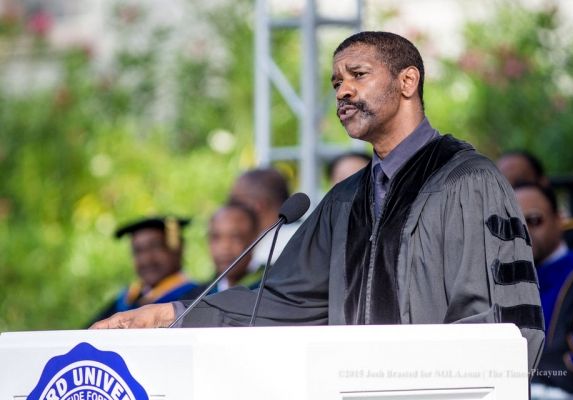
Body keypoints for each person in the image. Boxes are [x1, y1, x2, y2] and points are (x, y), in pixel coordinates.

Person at [92, 31, 544, 372]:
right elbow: (279, 303)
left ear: (408, 81)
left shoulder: (468, 181)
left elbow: (498, 322)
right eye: (335, 83)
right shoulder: (344, 202)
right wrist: (173, 314)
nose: (343, 92)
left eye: (358, 76)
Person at [514, 182, 573, 395]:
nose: (523, 231)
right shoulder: (502, 279)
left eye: (534, 220)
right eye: (513, 223)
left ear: (559, 219)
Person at [90, 216, 203, 323]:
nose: (146, 259)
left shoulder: (197, 298)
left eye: (155, 247)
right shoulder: (125, 299)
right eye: (138, 251)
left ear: (178, 249)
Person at [228, 168, 299, 270]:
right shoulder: (302, 235)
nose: (230, 209)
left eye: (234, 202)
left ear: (258, 206)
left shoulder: (287, 245)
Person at [207, 202, 262, 292]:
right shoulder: (200, 296)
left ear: (255, 239)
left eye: (235, 237)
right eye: (216, 237)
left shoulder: (269, 287)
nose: (224, 247)